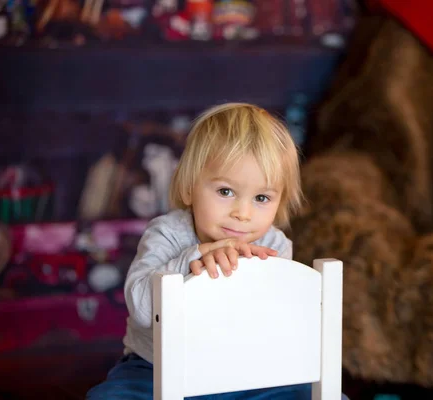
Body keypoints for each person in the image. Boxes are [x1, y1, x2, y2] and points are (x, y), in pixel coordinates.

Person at [87, 103, 348, 399]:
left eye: (262, 197)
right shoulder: (168, 234)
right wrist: (192, 260)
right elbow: (143, 310)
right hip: (156, 367)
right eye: (226, 192)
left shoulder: (274, 246)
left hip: (250, 373)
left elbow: (276, 327)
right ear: (189, 188)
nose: (242, 213)